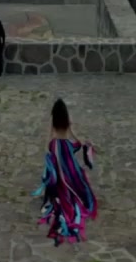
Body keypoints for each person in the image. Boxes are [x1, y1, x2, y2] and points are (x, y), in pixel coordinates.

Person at [33, 99, 98, 248]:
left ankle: (58, 193)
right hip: (66, 146)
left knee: (57, 171)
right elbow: (72, 133)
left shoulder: (53, 119)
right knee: (71, 170)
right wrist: (81, 142)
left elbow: (49, 134)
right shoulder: (67, 119)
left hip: (56, 146)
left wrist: (47, 148)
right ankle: (74, 192)